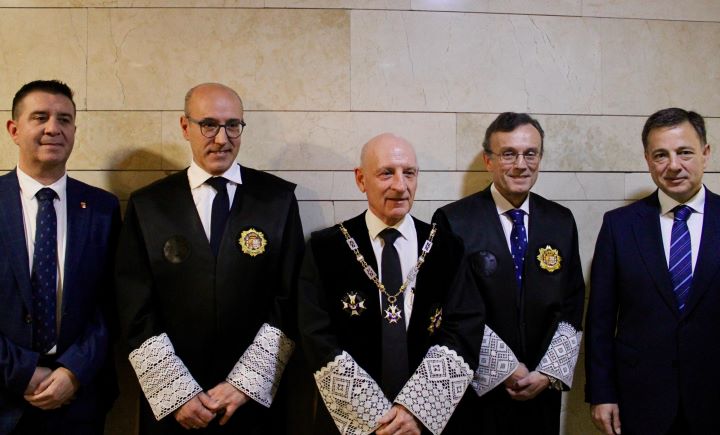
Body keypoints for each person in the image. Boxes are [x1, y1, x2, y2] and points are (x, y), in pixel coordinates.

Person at [115, 83, 304, 434]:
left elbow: (290, 296)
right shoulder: (148, 205)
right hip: (175, 408)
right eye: (209, 125)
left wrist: (244, 385)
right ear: (185, 127)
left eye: (233, 125)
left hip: (254, 402)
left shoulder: (277, 200)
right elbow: (133, 306)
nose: (221, 138)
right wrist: (178, 393)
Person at [298, 133, 482, 435]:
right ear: (360, 179)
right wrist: (374, 416)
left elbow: (464, 327)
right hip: (352, 421)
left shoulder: (448, 248)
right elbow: (315, 335)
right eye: (387, 173)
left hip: (426, 422)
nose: (400, 185)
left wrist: (415, 409)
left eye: (409, 172)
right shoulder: (324, 249)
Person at [433, 112, 585, 434]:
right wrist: (504, 368)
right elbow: (447, 307)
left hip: (541, 390)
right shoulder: (453, 221)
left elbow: (572, 300)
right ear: (488, 161)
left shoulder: (560, 220)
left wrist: (547, 372)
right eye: (508, 154)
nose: (521, 164)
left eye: (530, 153)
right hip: (476, 391)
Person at [585, 108, 718, 435]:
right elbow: (600, 320)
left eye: (684, 152)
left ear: (705, 154)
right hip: (641, 402)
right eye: (661, 155)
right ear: (647, 159)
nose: (673, 165)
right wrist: (601, 394)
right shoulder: (619, 226)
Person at [0, 80, 120, 434]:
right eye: (41, 117)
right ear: (14, 129)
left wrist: (73, 371)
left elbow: (112, 303)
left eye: (65, 120)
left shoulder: (102, 208)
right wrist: (22, 371)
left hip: (78, 400)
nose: (54, 128)